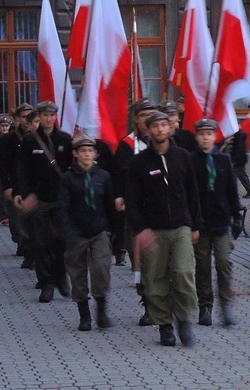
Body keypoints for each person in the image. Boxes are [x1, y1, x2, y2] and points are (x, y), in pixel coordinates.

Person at [126, 111, 200, 347]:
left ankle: (185, 320)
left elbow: (193, 194)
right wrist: (141, 229)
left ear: (170, 128)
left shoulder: (184, 157)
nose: (160, 130)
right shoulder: (139, 162)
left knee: (182, 273)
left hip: (181, 227)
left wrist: (195, 225)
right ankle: (165, 325)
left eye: (163, 125)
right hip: (153, 229)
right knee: (154, 279)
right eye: (155, 126)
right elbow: (133, 201)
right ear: (148, 130)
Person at [14, 101, 73, 303]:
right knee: (41, 243)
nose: (48, 119)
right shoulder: (30, 141)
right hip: (39, 199)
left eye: (52, 115)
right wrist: (24, 193)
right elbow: (22, 169)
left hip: (62, 200)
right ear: (39, 116)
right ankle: (46, 283)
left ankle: (60, 275)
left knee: (61, 241)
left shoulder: (65, 140)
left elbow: (72, 170)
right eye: (45, 115)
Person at [58, 135, 117, 332]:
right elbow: (63, 208)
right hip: (76, 232)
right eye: (82, 151)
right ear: (75, 154)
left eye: (90, 151)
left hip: (99, 230)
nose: (86, 154)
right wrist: (68, 232)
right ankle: (84, 313)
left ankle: (101, 310)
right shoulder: (68, 178)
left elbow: (110, 206)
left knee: (101, 268)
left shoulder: (103, 176)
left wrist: (112, 231)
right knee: (77, 272)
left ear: (95, 153)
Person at [192, 117, 244, 327]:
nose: (206, 138)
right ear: (197, 137)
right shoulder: (191, 160)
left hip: (221, 222)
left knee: (224, 264)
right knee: (202, 267)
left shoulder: (223, 160)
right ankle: (205, 307)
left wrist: (237, 217)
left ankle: (226, 305)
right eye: (202, 134)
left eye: (209, 134)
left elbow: (232, 190)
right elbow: (188, 193)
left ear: (215, 137)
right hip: (200, 223)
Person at [114, 98, 156, 324]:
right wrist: (119, 196)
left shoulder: (165, 143)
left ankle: (161, 302)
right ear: (136, 120)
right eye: (143, 115)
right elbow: (119, 176)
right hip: (135, 213)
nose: (148, 120)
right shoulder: (127, 145)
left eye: (152, 115)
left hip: (160, 213)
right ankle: (148, 302)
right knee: (138, 260)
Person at [0, 103, 34, 266]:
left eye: (30, 116)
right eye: (23, 117)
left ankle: (30, 250)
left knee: (34, 220)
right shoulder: (10, 139)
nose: (27, 121)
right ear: (17, 119)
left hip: (34, 185)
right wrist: (7, 186)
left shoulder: (38, 137)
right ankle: (23, 244)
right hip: (16, 184)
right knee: (17, 220)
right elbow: (5, 165)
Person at [224, 130, 250, 199]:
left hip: (238, 159)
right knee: (242, 175)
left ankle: (234, 194)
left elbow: (238, 149)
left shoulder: (238, 135)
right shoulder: (240, 134)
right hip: (241, 159)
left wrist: (233, 160)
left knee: (233, 177)